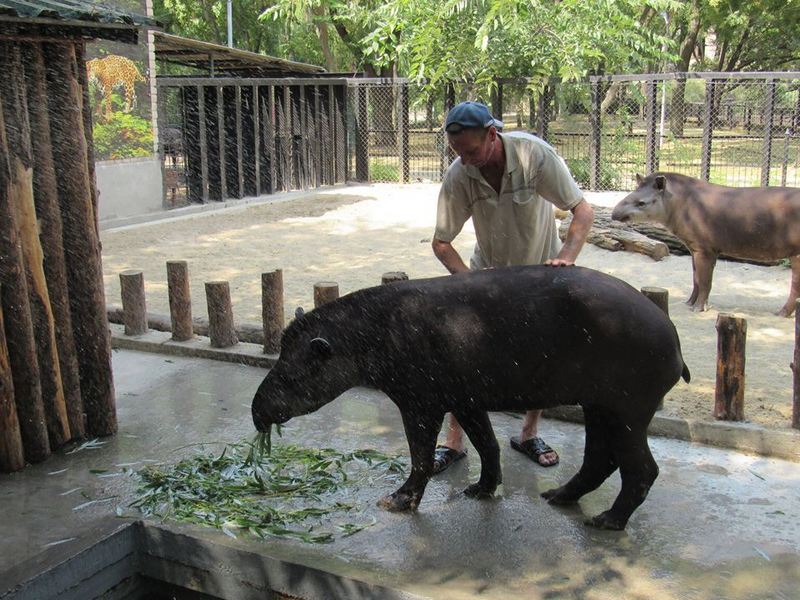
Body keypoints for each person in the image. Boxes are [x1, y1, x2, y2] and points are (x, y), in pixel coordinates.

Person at [431, 101, 594, 474]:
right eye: (457, 152)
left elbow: (582, 211)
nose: (465, 159)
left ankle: (528, 433)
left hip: (541, 274)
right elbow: (441, 243)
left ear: (492, 134)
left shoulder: (533, 154)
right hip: (488, 277)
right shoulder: (460, 174)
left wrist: (566, 258)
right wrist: (470, 281)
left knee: (542, 355)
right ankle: (453, 442)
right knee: (464, 357)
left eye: (471, 150)